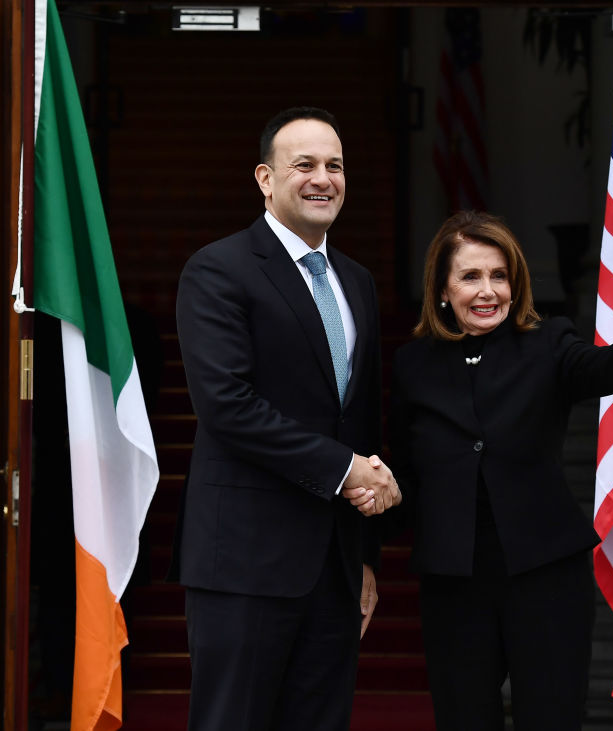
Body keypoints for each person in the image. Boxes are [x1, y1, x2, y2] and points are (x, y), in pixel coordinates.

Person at [355, 210, 613, 730]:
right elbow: (407, 475)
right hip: (454, 583)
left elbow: (609, 369)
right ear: (443, 289)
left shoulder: (549, 343)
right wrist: (371, 529)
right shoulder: (413, 365)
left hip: (546, 575)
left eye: (499, 275)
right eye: (470, 276)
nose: (487, 290)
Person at [174, 106, 402, 731]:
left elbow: (362, 421)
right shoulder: (218, 269)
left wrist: (364, 559)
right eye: (303, 165)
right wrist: (345, 467)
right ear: (265, 179)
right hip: (244, 561)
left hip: (332, 568)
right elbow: (227, 405)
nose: (322, 178)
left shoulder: (356, 282)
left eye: (334, 166)